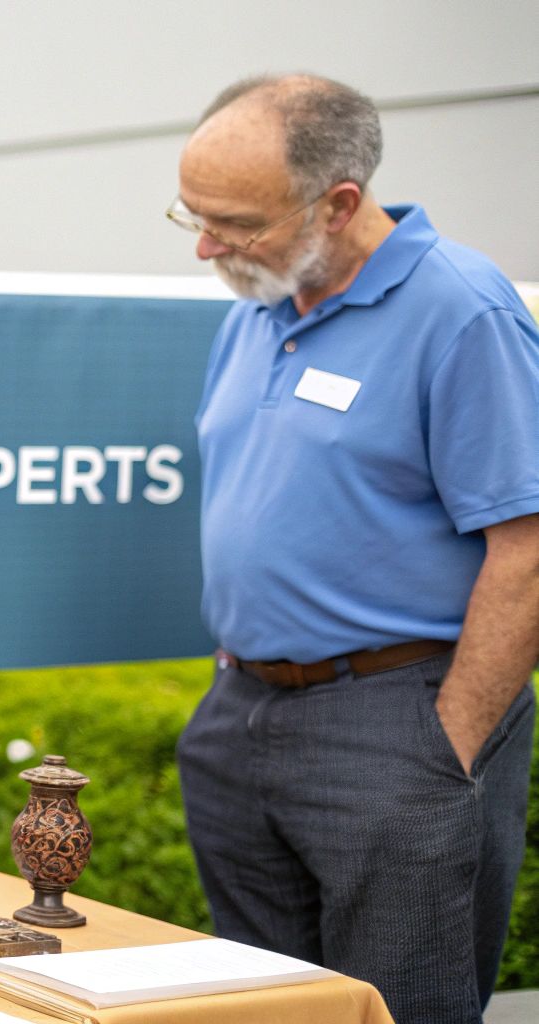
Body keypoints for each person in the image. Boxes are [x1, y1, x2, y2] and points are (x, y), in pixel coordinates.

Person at [171, 74, 539, 1024]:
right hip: (240, 714)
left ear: (338, 204)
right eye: (194, 216)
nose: (207, 246)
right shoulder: (258, 301)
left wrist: (445, 747)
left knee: (403, 1007)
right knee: (263, 1011)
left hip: (394, 716)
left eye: (235, 223)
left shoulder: (464, 311)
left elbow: (529, 550)